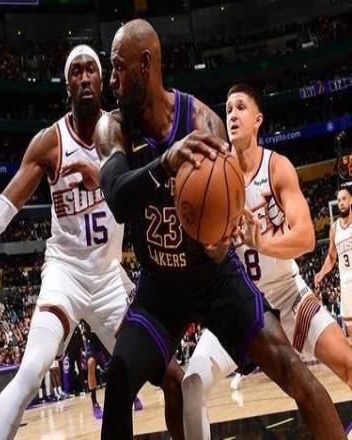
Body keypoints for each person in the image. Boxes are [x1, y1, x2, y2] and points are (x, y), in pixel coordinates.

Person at [0, 45, 185, 439]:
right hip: (66, 274)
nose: (84, 77)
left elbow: (157, 181)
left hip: (110, 278)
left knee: (173, 377)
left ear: (103, 81)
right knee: (30, 373)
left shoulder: (123, 131)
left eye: (91, 70)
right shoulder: (50, 143)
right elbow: (0, 213)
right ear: (67, 86)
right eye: (76, 71)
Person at [94, 19, 344, 439]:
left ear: (146, 63)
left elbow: (219, 236)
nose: (112, 79)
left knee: (292, 369)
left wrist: (217, 236)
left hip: (214, 279)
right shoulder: (113, 127)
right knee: (119, 378)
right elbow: (118, 197)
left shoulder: (202, 122)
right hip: (160, 289)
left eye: (119, 67)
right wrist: (166, 163)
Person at [182, 83, 352, 439]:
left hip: (288, 295)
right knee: (192, 382)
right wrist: (215, 246)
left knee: (348, 363)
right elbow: (211, 253)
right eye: (228, 109)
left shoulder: (276, 167)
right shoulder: (213, 176)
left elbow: (306, 238)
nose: (232, 115)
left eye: (240, 107)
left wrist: (260, 241)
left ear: (258, 119)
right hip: (239, 304)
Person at [315, 187, 352, 336]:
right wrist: (321, 273)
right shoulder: (334, 228)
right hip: (345, 283)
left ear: (351, 200)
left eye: (344, 199)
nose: (341, 203)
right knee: (350, 330)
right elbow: (331, 257)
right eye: (339, 200)